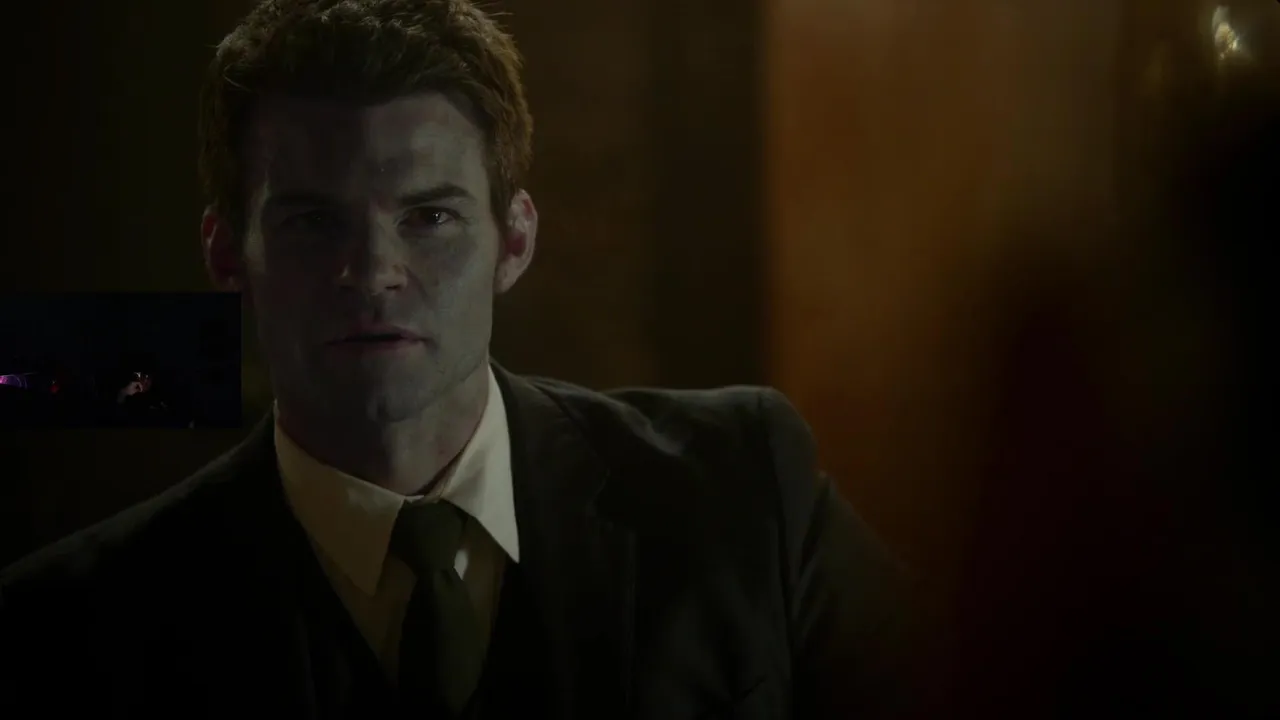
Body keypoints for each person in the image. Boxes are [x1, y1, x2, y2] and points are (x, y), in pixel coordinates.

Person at [0, 1, 917, 717]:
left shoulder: (743, 492)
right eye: (313, 222)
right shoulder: (68, 628)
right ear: (225, 255)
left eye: (430, 216)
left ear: (514, 241)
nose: (374, 272)